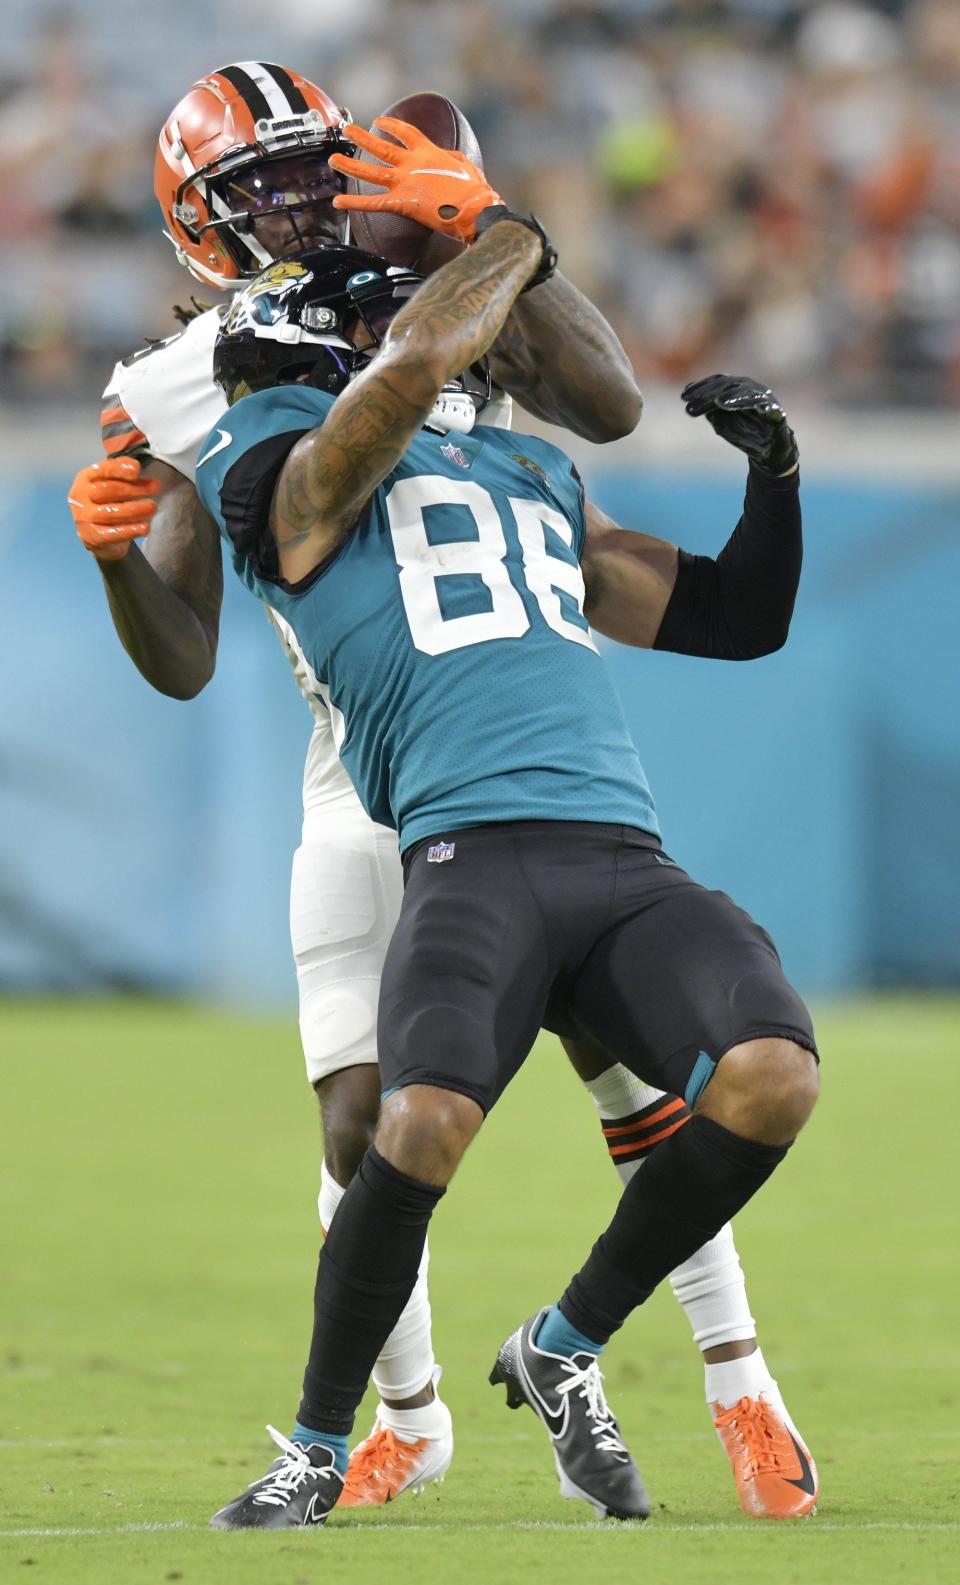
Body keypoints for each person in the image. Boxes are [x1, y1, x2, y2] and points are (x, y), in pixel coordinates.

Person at [67, 68, 816, 1519]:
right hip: (368, 757)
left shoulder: (425, 258)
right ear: (196, 225)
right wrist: (114, 563)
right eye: (254, 188)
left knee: (649, 1077)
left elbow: (601, 405)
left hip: (527, 733)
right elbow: (185, 642)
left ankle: (737, 1380)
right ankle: (394, 1419)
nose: (293, 201)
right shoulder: (179, 381)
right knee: (373, 1119)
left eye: (309, 170)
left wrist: (484, 229)